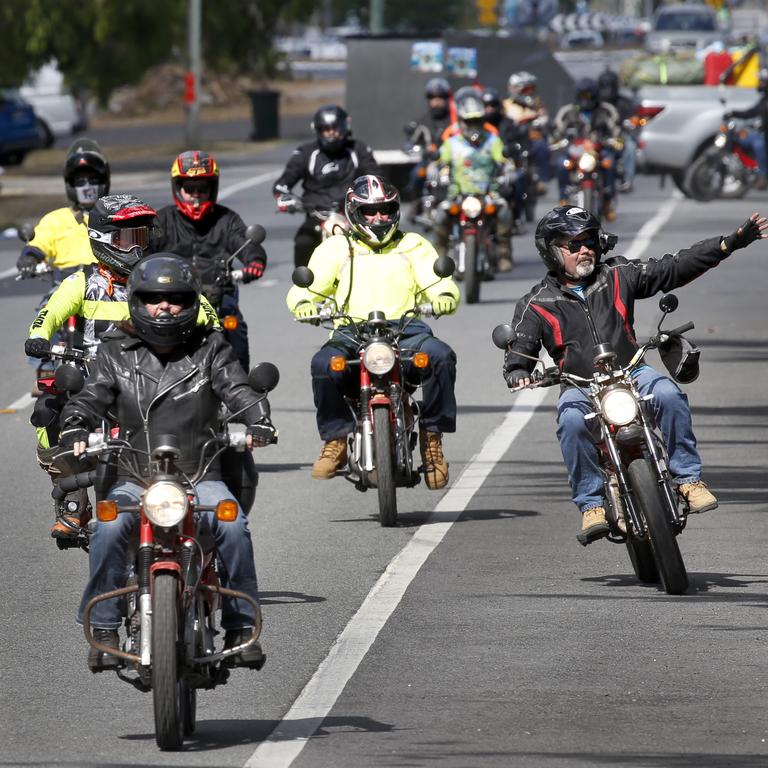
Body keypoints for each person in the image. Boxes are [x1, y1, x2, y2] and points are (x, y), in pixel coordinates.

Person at [59, 252, 277, 671]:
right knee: (107, 526)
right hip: (135, 475)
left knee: (232, 525)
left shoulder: (211, 346)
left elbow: (238, 391)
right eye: (155, 298)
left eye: (176, 298)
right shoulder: (114, 352)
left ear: (190, 301)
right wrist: (74, 425)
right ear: (136, 301)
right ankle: (103, 629)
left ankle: (241, 626)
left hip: (200, 474)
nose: (165, 307)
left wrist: (258, 422)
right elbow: (91, 396)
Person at [500, 205, 767, 544]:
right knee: (570, 423)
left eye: (589, 242)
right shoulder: (536, 303)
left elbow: (673, 267)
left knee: (669, 396)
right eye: (573, 244)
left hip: (632, 372)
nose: (585, 250)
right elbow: (519, 347)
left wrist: (728, 244)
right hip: (580, 386)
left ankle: (688, 479)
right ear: (552, 252)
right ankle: (591, 504)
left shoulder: (618, 274)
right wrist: (518, 371)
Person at [24, 194, 218, 538]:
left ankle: (199, 508)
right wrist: (39, 337)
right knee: (48, 410)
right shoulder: (81, 283)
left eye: (142, 236)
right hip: (93, 382)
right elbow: (45, 318)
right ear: (101, 240)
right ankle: (74, 501)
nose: (137, 248)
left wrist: (211, 333)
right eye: (128, 239)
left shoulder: (161, 279)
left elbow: (206, 312)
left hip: (155, 377)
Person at [286, 174, 459, 490]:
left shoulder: (413, 244)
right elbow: (305, 288)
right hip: (351, 331)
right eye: (369, 211)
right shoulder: (336, 248)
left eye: (384, 210)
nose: (378, 217)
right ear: (354, 211)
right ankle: (335, 440)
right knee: (323, 365)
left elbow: (439, 282)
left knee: (441, 356)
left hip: (406, 329)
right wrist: (304, 305)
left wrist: (444, 297)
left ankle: (432, 443)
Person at [153, 150, 267, 371]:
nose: (195, 195)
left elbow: (246, 242)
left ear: (212, 188)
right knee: (144, 329)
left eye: (202, 189)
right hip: (171, 296)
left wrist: (254, 262)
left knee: (235, 330)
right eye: (189, 188)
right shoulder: (162, 220)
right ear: (178, 188)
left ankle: (239, 389)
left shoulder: (227, 219)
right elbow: (144, 250)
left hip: (220, 294)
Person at [273, 105, 380, 268]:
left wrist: (370, 197)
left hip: (353, 216)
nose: (331, 132)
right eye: (325, 128)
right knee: (302, 242)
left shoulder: (358, 149)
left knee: (378, 243)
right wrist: (284, 197)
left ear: (345, 127)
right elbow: (283, 183)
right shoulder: (306, 152)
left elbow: (374, 177)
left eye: (335, 127)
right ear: (318, 130)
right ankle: (303, 287)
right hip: (317, 216)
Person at [433, 87, 514, 273]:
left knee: (504, 211)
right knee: (441, 215)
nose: (473, 126)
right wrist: (435, 169)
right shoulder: (452, 143)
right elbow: (439, 161)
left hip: (488, 193)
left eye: (477, 121)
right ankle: (440, 256)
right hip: (458, 194)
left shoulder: (492, 141)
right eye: (469, 122)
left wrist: (509, 167)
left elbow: (503, 158)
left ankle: (503, 254)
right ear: (461, 122)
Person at [16, 138, 109, 279]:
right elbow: (38, 244)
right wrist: (29, 258)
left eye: (93, 179)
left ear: (104, 181)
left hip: (109, 289)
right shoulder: (55, 220)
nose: (87, 186)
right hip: (64, 287)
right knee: (47, 303)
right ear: (69, 184)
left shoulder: (118, 217)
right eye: (80, 181)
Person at [553, 78, 622, 221]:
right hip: (575, 151)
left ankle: (608, 201)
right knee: (561, 164)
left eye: (588, 95)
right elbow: (556, 132)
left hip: (599, 150)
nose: (586, 99)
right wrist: (558, 140)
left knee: (610, 163)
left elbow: (616, 131)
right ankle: (563, 198)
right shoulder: (567, 112)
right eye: (583, 96)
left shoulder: (606, 111)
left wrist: (615, 140)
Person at [503, 72, 551, 194]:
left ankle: (541, 180)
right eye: (526, 89)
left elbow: (544, 117)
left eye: (532, 89)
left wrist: (540, 120)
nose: (530, 92)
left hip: (532, 139)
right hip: (513, 139)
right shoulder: (506, 105)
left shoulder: (536, 103)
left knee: (542, 147)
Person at [724, 69, 768, 189]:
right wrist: (733, 113)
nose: (760, 84)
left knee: (759, 144)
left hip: (764, 136)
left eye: (763, 82)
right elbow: (750, 112)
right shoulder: (764, 100)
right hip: (762, 132)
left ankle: (763, 175)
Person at [596, 69, 639, 193]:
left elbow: (633, 119)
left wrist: (630, 123)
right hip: (597, 136)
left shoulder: (624, 103)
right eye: (604, 86)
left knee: (630, 146)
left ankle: (627, 180)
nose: (607, 90)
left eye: (610, 86)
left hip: (617, 137)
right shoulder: (594, 102)